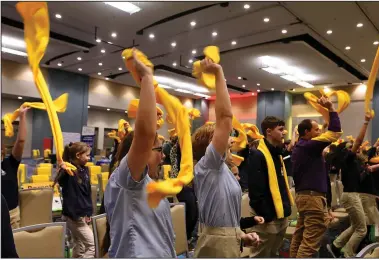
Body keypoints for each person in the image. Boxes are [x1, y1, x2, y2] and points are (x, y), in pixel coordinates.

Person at [104, 50, 176, 258]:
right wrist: (146, 79)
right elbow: (145, 134)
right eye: (158, 150)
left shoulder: (148, 184)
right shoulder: (127, 180)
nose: (162, 157)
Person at [192, 58, 260, 258]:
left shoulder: (222, 170)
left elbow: (224, 216)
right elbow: (224, 119)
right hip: (216, 246)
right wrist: (219, 73)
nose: (231, 140)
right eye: (226, 137)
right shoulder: (208, 165)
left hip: (227, 241)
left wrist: (241, 236)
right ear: (211, 144)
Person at [290, 96, 342, 258]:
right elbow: (335, 133)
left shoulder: (303, 147)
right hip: (311, 199)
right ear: (307, 133)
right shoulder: (309, 146)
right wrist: (331, 108)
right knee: (310, 241)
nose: (320, 132)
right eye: (317, 130)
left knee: (300, 236)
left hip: (306, 197)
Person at [327, 112, 373, 258]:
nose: (355, 147)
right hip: (350, 196)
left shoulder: (353, 161)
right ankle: (347, 252)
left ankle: (336, 245)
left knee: (356, 226)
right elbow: (359, 141)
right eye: (351, 146)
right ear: (345, 151)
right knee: (362, 230)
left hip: (352, 195)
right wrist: (365, 122)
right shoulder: (347, 158)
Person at [247, 116, 292, 258]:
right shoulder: (257, 154)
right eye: (280, 129)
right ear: (269, 131)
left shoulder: (277, 152)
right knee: (260, 255)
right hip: (267, 217)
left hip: (281, 214)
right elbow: (256, 191)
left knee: (274, 253)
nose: (284, 132)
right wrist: (267, 215)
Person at [54, 142, 94, 258]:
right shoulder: (68, 172)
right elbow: (60, 181)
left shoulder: (85, 170)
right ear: (78, 155)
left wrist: (88, 212)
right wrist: (62, 169)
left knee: (80, 245)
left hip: (82, 213)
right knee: (92, 246)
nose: (89, 158)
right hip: (73, 216)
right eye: (87, 155)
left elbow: (87, 193)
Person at [1, 105, 29, 229]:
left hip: (11, 215)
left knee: (13, 247)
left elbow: (21, 141)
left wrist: (22, 117)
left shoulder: (9, 164)